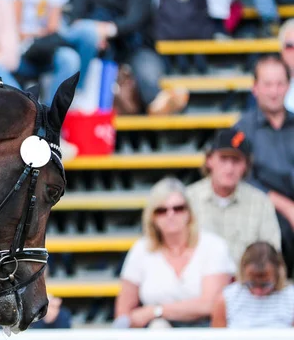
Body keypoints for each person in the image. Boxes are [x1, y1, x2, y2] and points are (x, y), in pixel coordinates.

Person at [114, 177, 235, 328]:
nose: (170, 214)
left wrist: (155, 311)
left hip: (205, 331)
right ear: (152, 217)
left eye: (178, 208)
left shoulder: (213, 246)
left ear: (189, 213)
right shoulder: (141, 249)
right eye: (161, 210)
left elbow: (210, 304)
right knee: (158, 327)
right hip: (157, 333)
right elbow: (124, 312)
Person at [233, 54, 294, 276]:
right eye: (267, 84)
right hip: (263, 209)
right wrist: (286, 207)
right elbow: (240, 178)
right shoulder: (242, 129)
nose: (274, 91)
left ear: (289, 86)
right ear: (255, 88)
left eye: (280, 84)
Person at [186, 128, 281, 264]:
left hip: (246, 282)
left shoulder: (260, 203)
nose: (229, 168)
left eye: (236, 160)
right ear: (209, 160)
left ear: (246, 165)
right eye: (223, 159)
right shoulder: (187, 199)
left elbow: (272, 256)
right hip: (198, 281)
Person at [212, 242, 294, 328]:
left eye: (265, 285)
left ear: (278, 275)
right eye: (251, 284)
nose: (258, 291)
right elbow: (217, 338)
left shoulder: (291, 298)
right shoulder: (226, 300)